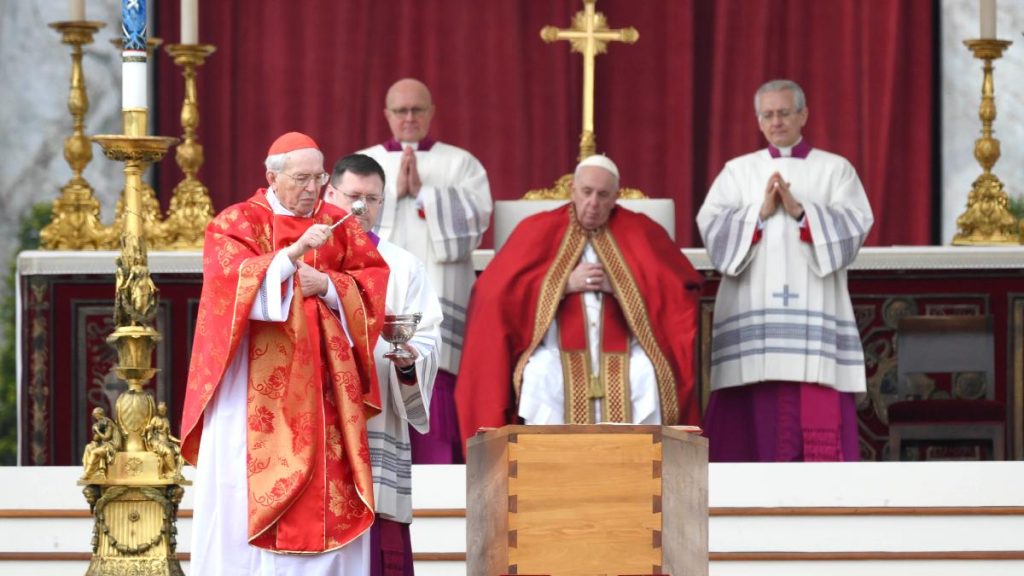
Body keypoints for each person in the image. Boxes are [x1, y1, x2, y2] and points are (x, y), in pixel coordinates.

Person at [180, 132, 389, 574]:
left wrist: (330, 286)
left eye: (319, 177)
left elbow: (372, 283)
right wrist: (291, 256)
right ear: (272, 176)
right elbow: (225, 287)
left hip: (325, 389)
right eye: (301, 178)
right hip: (251, 391)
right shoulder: (235, 222)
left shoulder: (340, 224)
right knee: (240, 488)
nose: (312, 188)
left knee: (328, 492)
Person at [456, 155, 703, 448]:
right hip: (553, 349)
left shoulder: (642, 230)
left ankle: (635, 466)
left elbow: (680, 289)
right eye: (586, 192)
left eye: (603, 195)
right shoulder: (536, 228)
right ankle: (547, 464)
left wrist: (624, 286)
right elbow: (494, 294)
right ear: (573, 189)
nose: (593, 203)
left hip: (628, 350)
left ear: (616, 197)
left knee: (644, 375)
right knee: (539, 375)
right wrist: (560, 285)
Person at [696, 79, 874, 462]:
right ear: (759, 121)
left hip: (816, 313)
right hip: (752, 313)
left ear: (803, 115)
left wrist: (799, 211)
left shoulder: (835, 170)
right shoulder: (738, 172)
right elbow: (712, 228)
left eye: (784, 112)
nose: (776, 121)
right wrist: (758, 214)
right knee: (750, 410)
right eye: (768, 114)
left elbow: (855, 225)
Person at [360, 78, 492, 464]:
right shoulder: (366, 162)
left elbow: (476, 221)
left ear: (432, 112)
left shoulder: (460, 162)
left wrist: (424, 193)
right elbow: (346, 225)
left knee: (437, 373)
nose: (409, 118)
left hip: (438, 290)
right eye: (400, 110)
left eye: (417, 109)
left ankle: (439, 469)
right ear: (387, 114)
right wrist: (391, 195)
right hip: (383, 293)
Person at [324, 153, 443, 576]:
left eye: (372, 199)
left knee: (379, 545)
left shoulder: (403, 264)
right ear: (330, 194)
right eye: (353, 197)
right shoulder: (307, 255)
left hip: (377, 413)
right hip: (318, 415)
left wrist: (409, 359)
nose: (362, 208)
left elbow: (427, 334)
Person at [81, 407, 119, 481]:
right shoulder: (100, 423)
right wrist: (95, 431)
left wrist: (97, 430)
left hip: (111, 446)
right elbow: (96, 439)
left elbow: (106, 437)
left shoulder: (108, 422)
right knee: (88, 447)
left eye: (96, 415)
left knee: (94, 452)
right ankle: (93, 472)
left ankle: (88, 473)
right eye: (94, 415)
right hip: (103, 445)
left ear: (99, 414)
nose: (95, 417)